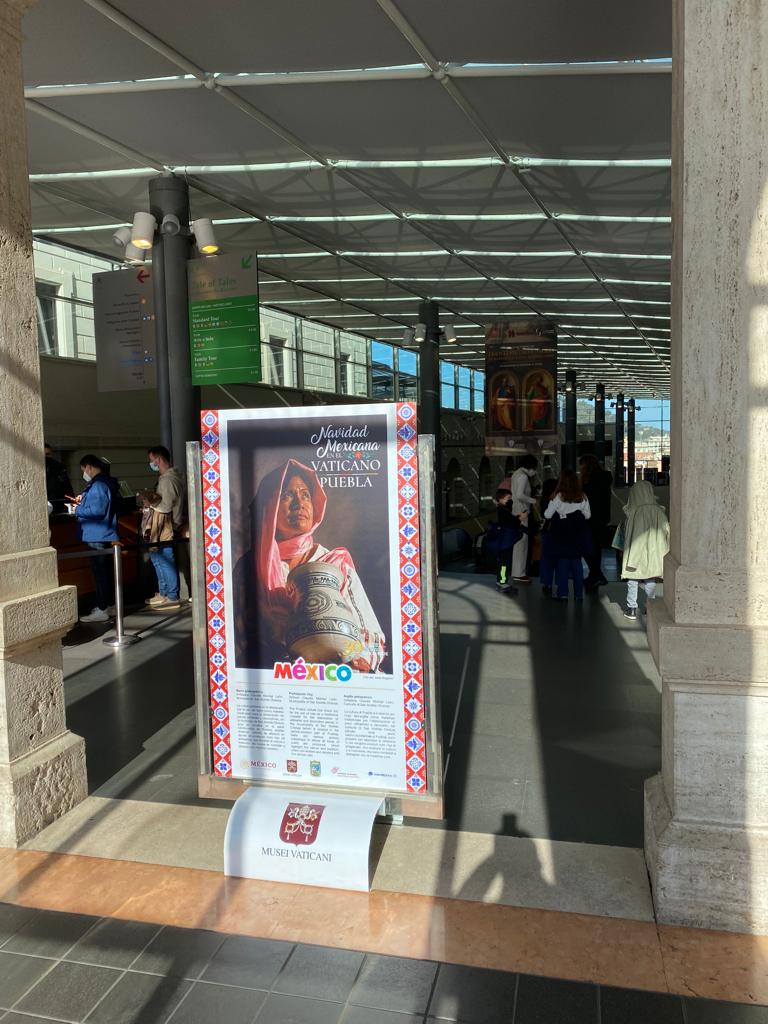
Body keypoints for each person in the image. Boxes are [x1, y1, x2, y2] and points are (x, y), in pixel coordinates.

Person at [234, 459, 385, 672]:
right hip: (273, 678)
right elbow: (236, 634)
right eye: (287, 495)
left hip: (336, 677)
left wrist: (356, 659)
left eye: (305, 495)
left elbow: (370, 631)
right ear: (270, 506)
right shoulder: (249, 567)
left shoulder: (335, 564)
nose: (300, 503)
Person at [70, 454, 119, 623]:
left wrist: (77, 510)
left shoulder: (97, 485)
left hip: (95, 533)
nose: (84, 473)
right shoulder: (105, 482)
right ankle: (110, 605)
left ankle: (103, 608)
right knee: (105, 572)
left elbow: (97, 511)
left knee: (100, 573)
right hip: (103, 532)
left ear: (89, 467)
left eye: (84, 470)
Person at [139, 445, 186, 610]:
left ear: (158, 459)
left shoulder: (167, 480)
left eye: (152, 460)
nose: (151, 463)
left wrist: (149, 502)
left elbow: (165, 506)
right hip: (166, 525)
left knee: (164, 559)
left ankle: (172, 595)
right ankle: (165, 592)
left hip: (165, 526)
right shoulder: (170, 478)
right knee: (159, 559)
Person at [620, 481, 670, 620]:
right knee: (650, 579)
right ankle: (650, 607)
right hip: (654, 552)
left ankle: (631, 609)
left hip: (636, 552)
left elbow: (630, 534)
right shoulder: (659, 511)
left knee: (633, 579)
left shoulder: (634, 512)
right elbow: (667, 531)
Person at [543, 470, 592, 601]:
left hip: (560, 534)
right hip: (577, 534)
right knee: (577, 564)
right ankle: (578, 595)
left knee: (563, 563)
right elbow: (588, 516)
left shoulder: (558, 496)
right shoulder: (582, 496)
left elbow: (547, 515)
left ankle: (563, 593)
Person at [579, 454, 613, 591]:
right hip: (602, 518)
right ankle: (594, 576)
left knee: (586, 547)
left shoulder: (589, 481)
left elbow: (586, 499)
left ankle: (597, 575)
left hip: (590, 518)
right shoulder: (605, 477)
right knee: (596, 547)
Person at [508, 454, 538, 583]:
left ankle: (516, 572)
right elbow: (520, 495)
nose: (535, 471)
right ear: (530, 466)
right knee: (522, 543)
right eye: (535, 468)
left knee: (517, 543)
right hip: (522, 512)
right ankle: (519, 573)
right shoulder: (524, 476)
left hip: (516, 511)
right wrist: (532, 500)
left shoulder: (516, 473)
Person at [493, 487, 529, 593]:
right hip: (505, 542)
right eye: (508, 498)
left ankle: (501, 581)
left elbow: (511, 521)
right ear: (501, 499)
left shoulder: (503, 509)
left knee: (503, 562)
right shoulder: (502, 510)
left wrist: (518, 517)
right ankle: (502, 582)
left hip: (504, 541)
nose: (510, 500)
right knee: (504, 562)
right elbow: (510, 523)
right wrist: (520, 518)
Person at [538, 475, 558, 595]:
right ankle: (561, 583)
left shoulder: (545, 499)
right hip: (560, 531)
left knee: (546, 558)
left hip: (547, 530)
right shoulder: (560, 499)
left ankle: (547, 582)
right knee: (560, 559)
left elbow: (544, 515)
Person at [44, 442, 72, 515]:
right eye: (43, 454)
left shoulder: (57, 467)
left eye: (48, 454)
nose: (46, 457)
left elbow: (66, 486)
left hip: (57, 505)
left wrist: (70, 502)